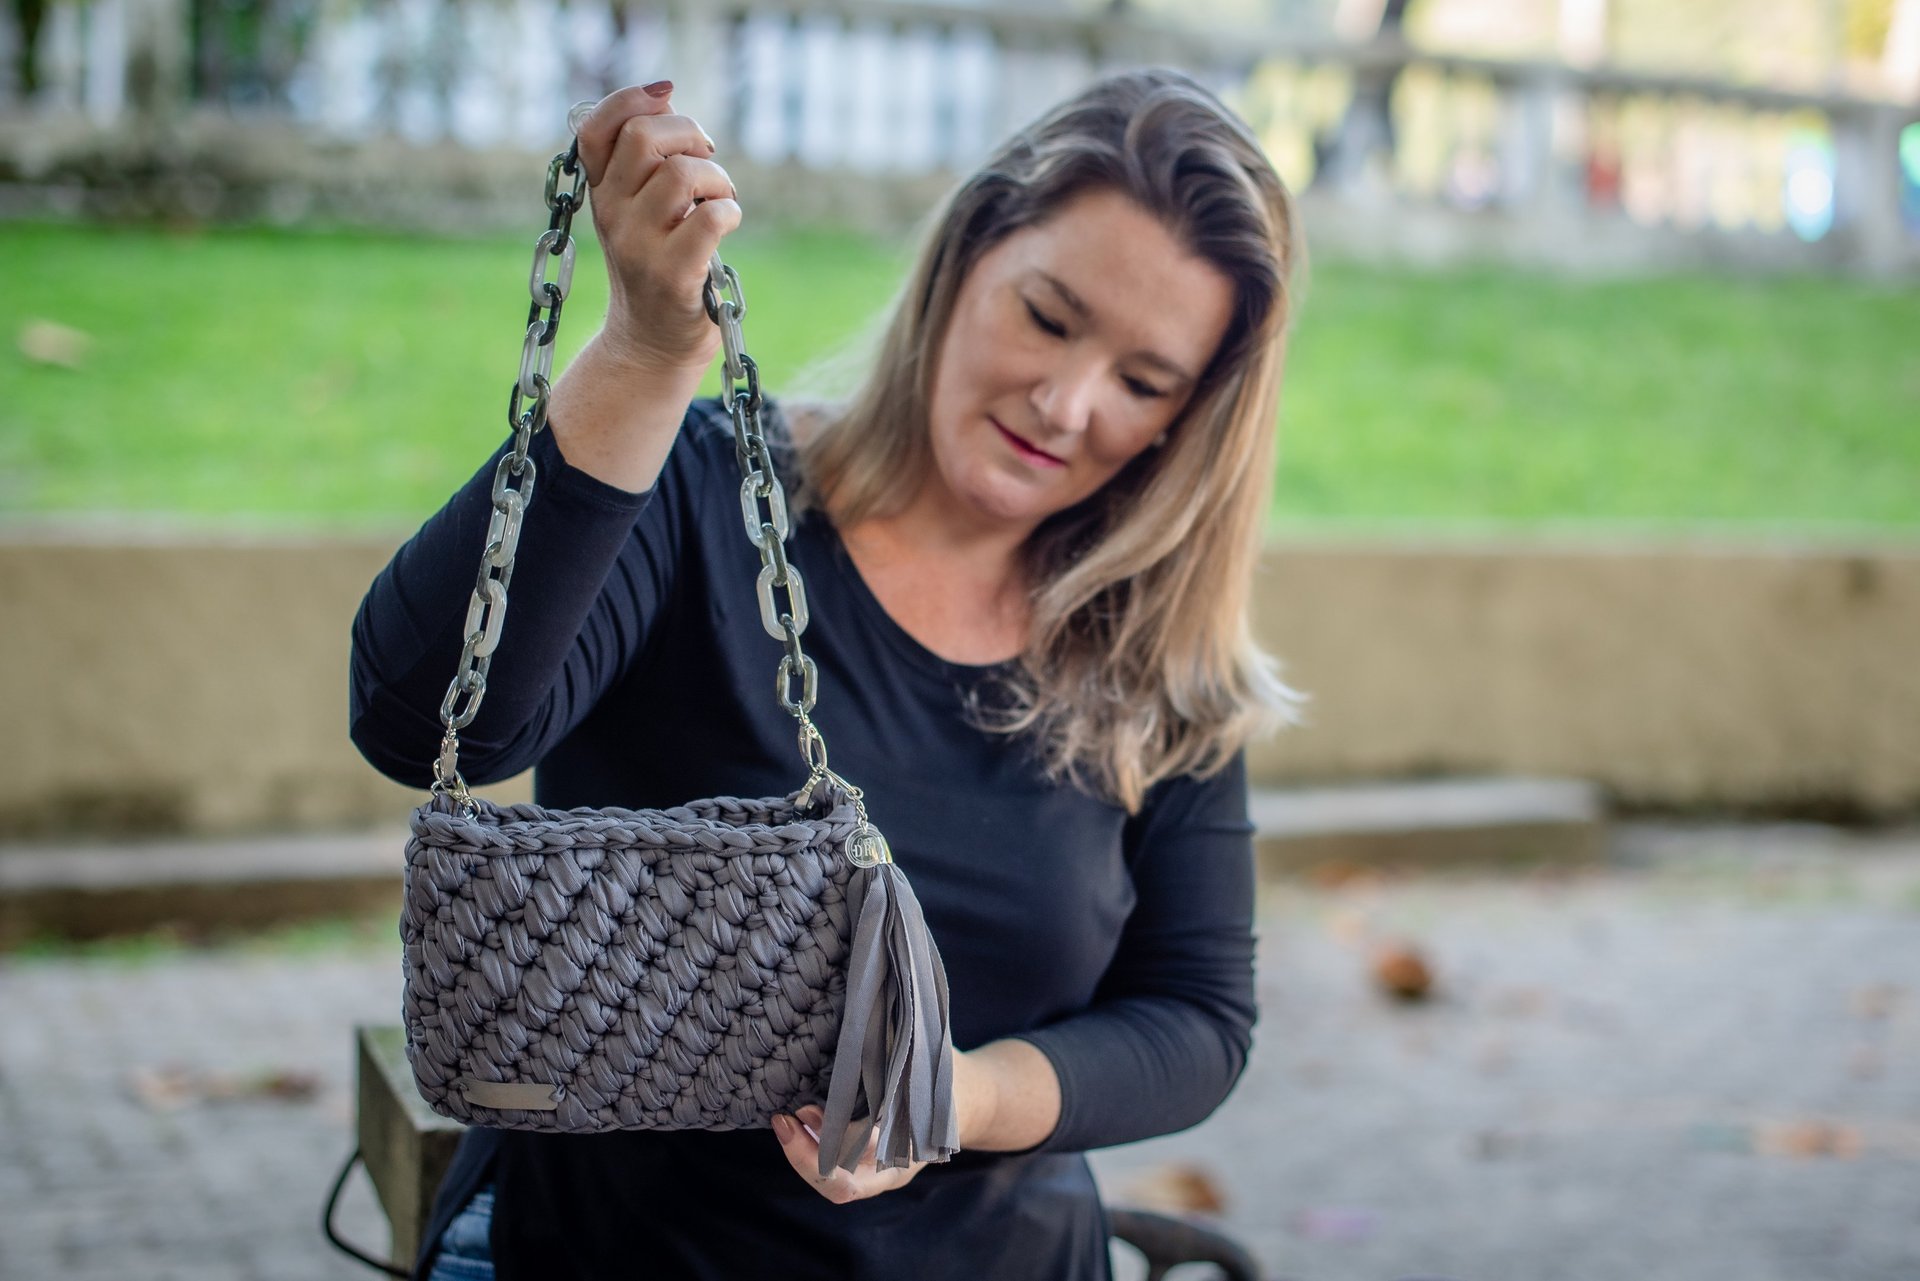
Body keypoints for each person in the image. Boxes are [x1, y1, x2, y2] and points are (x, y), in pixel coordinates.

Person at [348, 64, 1307, 1281]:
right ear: (967, 257)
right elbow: (420, 718)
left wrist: (953, 1098)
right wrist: (645, 357)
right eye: (1050, 318)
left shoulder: (1154, 652)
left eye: (1142, 382)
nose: (1066, 404)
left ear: (1188, 417)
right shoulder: (698, 489)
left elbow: (1197, 1018)